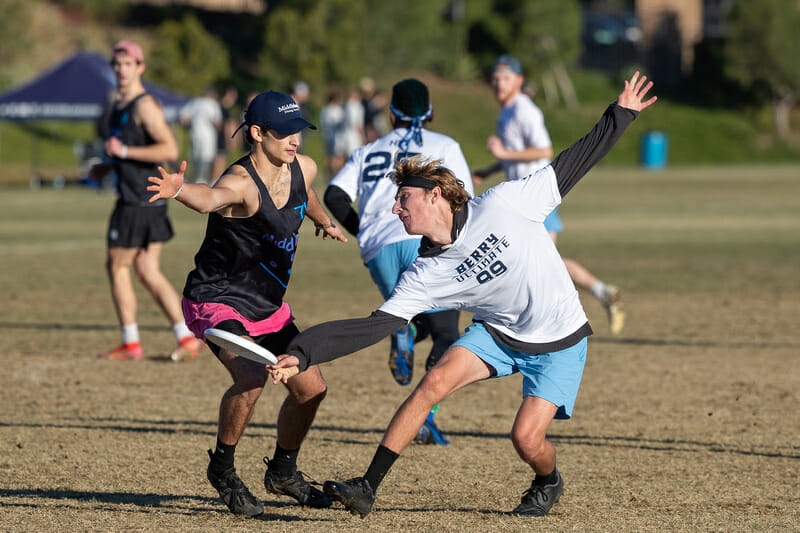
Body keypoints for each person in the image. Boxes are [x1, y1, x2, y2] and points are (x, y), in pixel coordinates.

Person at [270, 73, 656, 517]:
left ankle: (548, 480)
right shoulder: (425, 272)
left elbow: (574, 161)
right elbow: (372, 326)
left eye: (403, 199)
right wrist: (303, 351)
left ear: (435, 195)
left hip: (561, 339)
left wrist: (620, 113)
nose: (394, 209)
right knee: (432, 381)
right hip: (499, 333)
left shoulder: (504, 203)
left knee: (527, 440)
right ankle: (367, 487)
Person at [146, 90, 348, 517]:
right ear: (257, 133)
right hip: (216, 300)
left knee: (312, 390)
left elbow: (304, 193)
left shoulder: (302, 167)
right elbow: (208, 199)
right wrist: (179, 188)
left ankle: (283, 472)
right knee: (254, 377)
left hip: (267, 305)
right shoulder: (239, 183)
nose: (294, 140)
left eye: (299, 132)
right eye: (284, 133)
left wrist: (324, 221)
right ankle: (222, 469)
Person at [324, 78, 474, 446]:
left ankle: (404, 330)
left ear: (391, 114)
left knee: (412, 311)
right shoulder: (445, 146)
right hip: (425, 241)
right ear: (431, 112)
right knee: (447, 334)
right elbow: (465, 199)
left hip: (379, 249)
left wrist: (367, 233)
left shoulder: (369, 149)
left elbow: (335, 195)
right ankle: (424, 418)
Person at [472, 55, 626, 335]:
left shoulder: (524, 110)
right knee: (541, 262)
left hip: (536, 199)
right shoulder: (507, 112)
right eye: (495, 79)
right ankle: (600, 293)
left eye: (505, 78)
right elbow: (518, 153)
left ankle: (563, 318)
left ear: (518, 81)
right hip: (519, 202)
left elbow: (544, 150)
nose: (499, 84)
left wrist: (504, 154)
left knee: (540, 263)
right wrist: (491, 168)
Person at [95, 40, 201, 362]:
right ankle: (186, 337)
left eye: (128, 63)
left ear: (141, 67)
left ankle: (131, 343)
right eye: (116, 63)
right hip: (145, 198)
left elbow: (168, 149)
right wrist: (109, 165)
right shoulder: (118, 104)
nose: (121, 69)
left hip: (138, 200)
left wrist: (124, 153)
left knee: (117, 266)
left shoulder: (143, 105)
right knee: (146, 270)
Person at [180, 87, 223, 185]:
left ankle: (193, 178)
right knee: (206, 157)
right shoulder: (213, 104)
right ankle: (201, 179)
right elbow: (218, 122)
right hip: (208, 137)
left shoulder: (195, 102)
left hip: (195, 135)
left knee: (195, 157)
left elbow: (183, 117)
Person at [211, 85, 240, 181]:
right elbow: (227, 127)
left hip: (216, 138)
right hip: (220, 139)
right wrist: (230, 141)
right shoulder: (223, 109)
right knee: (219, 161)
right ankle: (215, 182)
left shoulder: (217, 107)